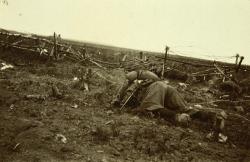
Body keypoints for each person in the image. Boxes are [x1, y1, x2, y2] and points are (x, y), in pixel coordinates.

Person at [112, 69, 227, 138]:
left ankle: (177, 118)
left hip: (157, 88)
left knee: (151, 107)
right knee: (186, 108)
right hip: (167, 88)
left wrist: (117, 99)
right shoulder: (150, 77)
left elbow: (128, 80)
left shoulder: (138, 75)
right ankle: (213, 116)